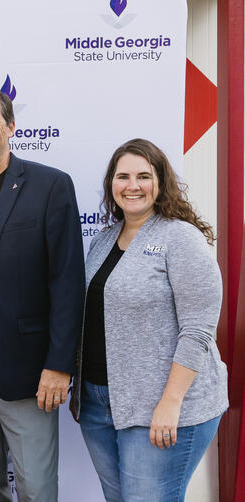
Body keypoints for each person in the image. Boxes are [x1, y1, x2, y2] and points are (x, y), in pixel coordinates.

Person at [69, 138, 227, 501]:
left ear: (161, 182)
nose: (132, 185)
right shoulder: (103, 240)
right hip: (98, 403)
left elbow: (198, 329)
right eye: (123, 176)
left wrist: (171, 402)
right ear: (112, 184)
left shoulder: (180, 238)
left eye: (143, 175)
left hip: (162, 406)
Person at [0, 86, 85, 501]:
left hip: (28, 365)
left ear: (10, 126)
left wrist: (59, 365)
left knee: (36, 486)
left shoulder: (49, 185)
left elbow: (67, 279)